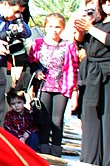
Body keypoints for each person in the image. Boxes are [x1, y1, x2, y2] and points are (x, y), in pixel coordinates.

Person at [74, 0, 110, 166]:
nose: (107, 4)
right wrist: (81, 28)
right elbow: (81, 42)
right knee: (90, 118)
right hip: (92, 75)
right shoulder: (97, 21)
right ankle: (89, 160)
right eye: (104, 1)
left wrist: (90, 29)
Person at [28, 13, 78, 156]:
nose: (54, 30)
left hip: (61, 87)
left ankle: (56, 147)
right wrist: (36, 72)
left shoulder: (68, 45)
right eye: (51, 26)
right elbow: (31, 62)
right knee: (43, 117)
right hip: (43, 87)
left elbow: (73, 69)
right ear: (45, 27)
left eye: (58, 27)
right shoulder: (37, 43)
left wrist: (74, 91)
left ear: (62, 28)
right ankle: (43, 147)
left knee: (57, 119)